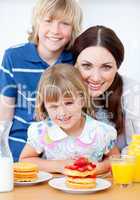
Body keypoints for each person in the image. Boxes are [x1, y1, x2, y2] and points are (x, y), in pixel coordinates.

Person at [0, 0, 83, 161]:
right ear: (37, 21)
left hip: (64, 154)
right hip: (20, 150)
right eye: (48, 21)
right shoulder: (14, 56)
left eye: (65, 23)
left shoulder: (77, 59)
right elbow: (4, 115)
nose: (55, 30)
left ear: (74, 28)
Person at [19, 63, 119, 174]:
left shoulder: (101, 132)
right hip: (51, 190)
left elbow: (115, 157)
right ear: (45, 106)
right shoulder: (42, 131)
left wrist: (100, 168)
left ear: (82, 100)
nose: (62, 112)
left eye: (69, 103)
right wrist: (58, 166)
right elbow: (24, 160)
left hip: (90, 188)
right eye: (54, 106)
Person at [72, 25, 140, 153]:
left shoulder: (133, 94)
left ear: (117, 67)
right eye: (87, 66)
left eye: (106, 67)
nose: (96, 78)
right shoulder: (62, 93)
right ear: (75, 65)